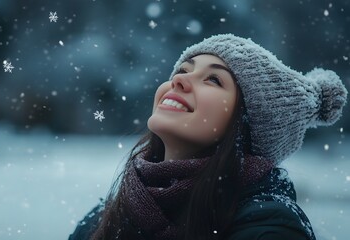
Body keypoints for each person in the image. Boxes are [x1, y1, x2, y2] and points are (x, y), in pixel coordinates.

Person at [68, 34, 348, 240]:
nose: (178, 81)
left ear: (247, 122)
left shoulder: (268, 226)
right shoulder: (105, 218)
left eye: (214, 80)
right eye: (183, 70)